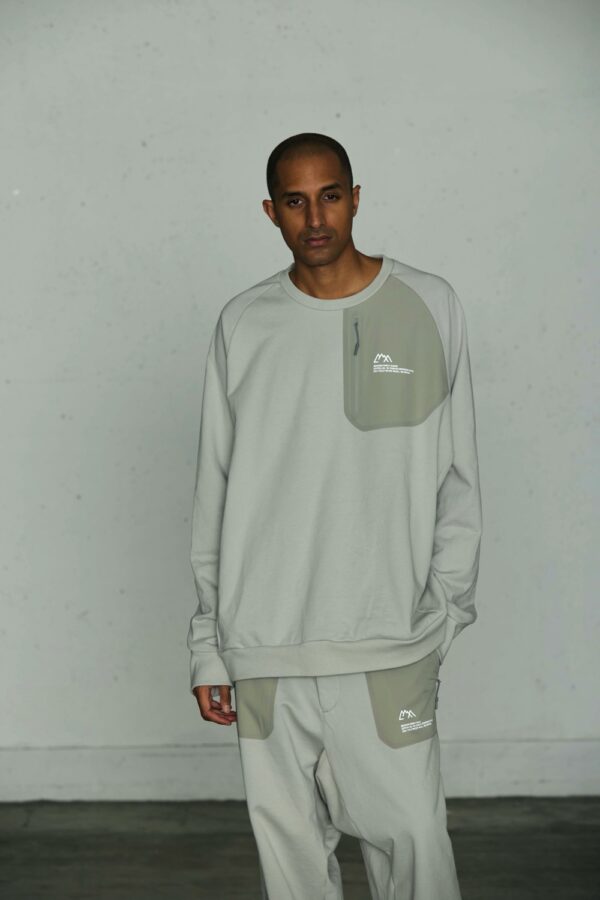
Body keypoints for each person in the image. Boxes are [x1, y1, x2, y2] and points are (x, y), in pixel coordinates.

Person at [187, 132, 483, 899]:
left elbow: (458, 481)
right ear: (271, 211)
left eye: (329, 196)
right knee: (292, 869)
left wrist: (443, 614)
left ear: (355, 198)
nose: (314, 218)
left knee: (416, 848)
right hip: (265, 649)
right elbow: (215, 492)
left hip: (388, 644)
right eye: (295, 201)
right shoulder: (244, 322)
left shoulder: (427, 305)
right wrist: (209, 646)